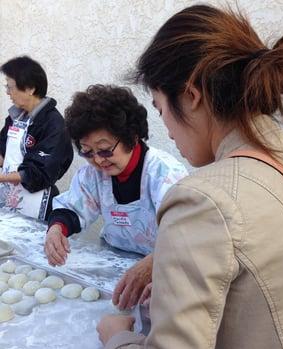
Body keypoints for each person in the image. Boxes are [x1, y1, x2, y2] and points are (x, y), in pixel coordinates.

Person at [97, 5, 283, 349]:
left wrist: (117, 342)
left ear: (190, 96)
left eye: (161, 111)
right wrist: (166, 259)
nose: (168, 132)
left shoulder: (201, 200)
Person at [44, 84, 187, 309]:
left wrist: (153, 263)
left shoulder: (163, 173)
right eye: (87, 151)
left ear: (131, 136)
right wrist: (56, 229)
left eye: (105, 149)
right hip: (112, 263)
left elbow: (184, 231)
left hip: (164, 268)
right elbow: (73, 207)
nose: (98, 160)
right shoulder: (92, 175)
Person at [0, 56, 73, 220]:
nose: (7, 92)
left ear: (30, 88)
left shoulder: (53, 124)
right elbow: (3, 153)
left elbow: (38, 172)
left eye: (10, 87)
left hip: (36, 202)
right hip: (7, 197)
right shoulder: (15, 117)